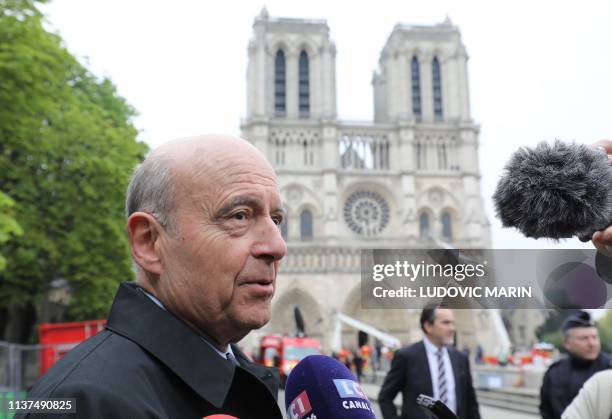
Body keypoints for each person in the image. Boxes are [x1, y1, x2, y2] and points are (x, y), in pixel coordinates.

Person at [16, 135, 287, 418]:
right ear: (149, 242)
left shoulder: (237, 379)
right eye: (239, 216)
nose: (277, 246)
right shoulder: (82, 404)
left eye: (276, 220)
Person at [378, 305, 481, 419]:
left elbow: (471, 403)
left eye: (453, 323)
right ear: (428, 326)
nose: (452, 328)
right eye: (446, 323)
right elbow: (385, 397)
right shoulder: (406, 357)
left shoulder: (460, 358)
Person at [539, 311, 612, 419]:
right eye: (584, 338)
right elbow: (546, 411)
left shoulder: (609, 368)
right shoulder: (554, 373)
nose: (591, 343)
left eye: (595, 337)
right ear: (566, 343)